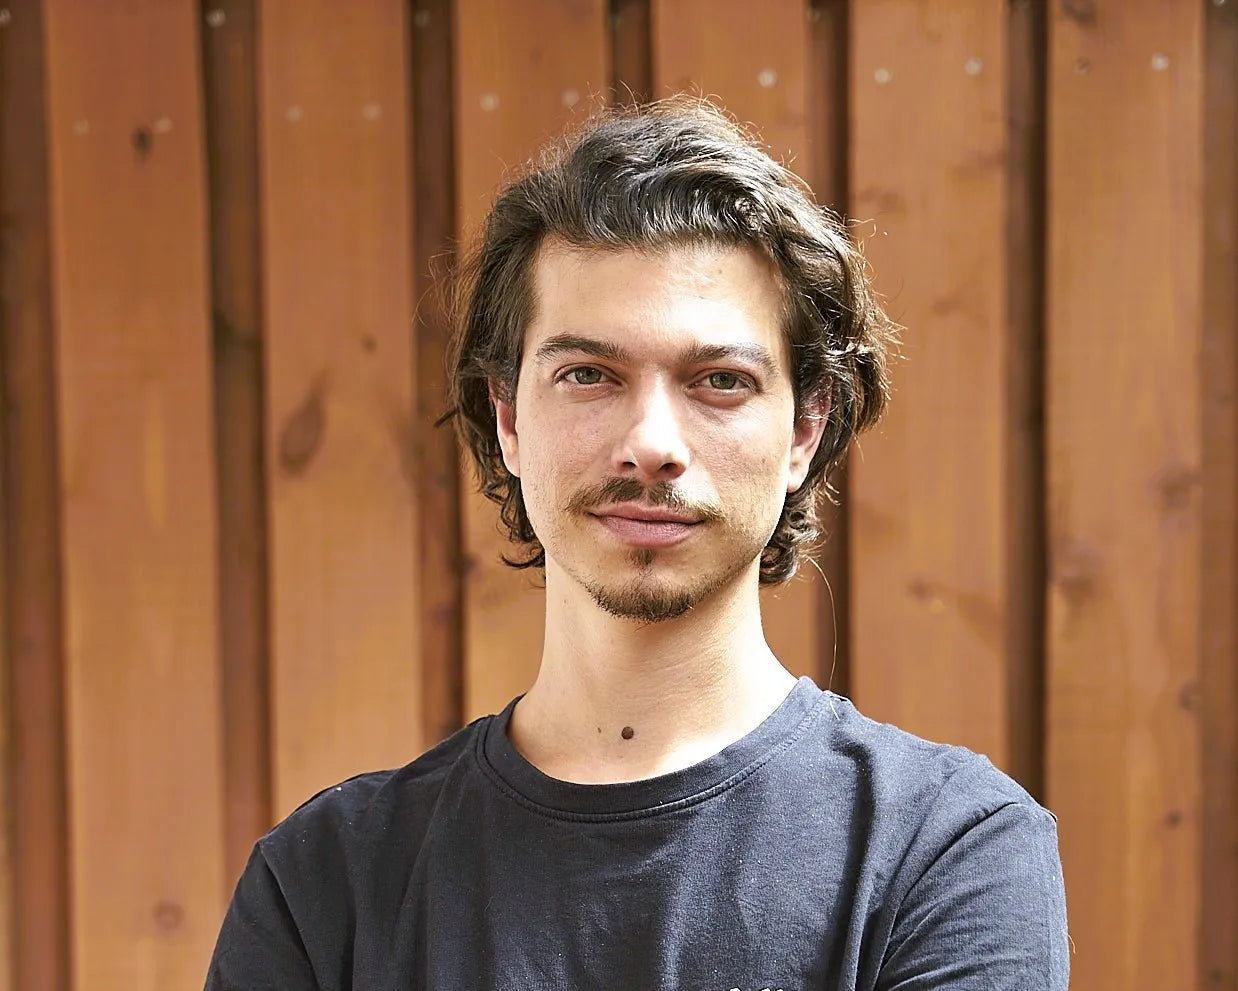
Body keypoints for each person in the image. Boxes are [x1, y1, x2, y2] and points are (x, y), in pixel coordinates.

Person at [206, 98, 1069, 990]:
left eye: (720, 380)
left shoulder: (946, 851)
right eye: (589, 374)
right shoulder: (324, 883)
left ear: (805, 430)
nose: (651, 443)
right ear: (507, 418)